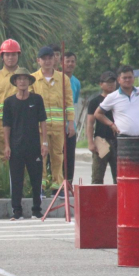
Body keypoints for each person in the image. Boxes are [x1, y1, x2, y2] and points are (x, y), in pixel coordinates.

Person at [2, 68, 48, 220]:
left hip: (34, 146)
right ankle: (17, 210)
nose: (22, 81)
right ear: (15, 82)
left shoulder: (37, 99)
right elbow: (6, 125)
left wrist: (44, 143)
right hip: (16, 146)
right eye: (19, 79)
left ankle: (36, 209)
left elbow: (43, 121)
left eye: (25, 79)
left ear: (29, 81)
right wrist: (7, 145)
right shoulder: (9, 102)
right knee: (16, 180)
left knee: (36, 179)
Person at [30, 46, 74, 194]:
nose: (47, 61)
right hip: (39, 127)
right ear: (38, 61)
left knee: (58, 155)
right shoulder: (33, 79)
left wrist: (71, 123)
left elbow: (69, 102)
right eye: (44, 59)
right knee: (40, 155)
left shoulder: (63, 79)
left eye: (50, 58)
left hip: (58, 126)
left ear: (55, 59)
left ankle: (57, 185)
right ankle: (40, 186)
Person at [94, 65, 139, 138]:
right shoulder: (113, 96)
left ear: (133, 78)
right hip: (123, 138)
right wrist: (111, 124)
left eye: (130, 77)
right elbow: (98, 113)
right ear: (119, 79)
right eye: (124, 78)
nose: (127, 80)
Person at [0, 39, 22, 162]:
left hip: (20, 121)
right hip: (0, 123)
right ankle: (5, 176)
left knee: (21, 154)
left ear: (18, 55)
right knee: (3, 156)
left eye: (13, 54)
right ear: (2, 57)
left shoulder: (24, 76)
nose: (10, 58)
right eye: (7, 55)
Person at [86, 71, 118, 184]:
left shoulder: (120, 99)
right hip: (101, 140)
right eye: (107, 82)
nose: (111, 84)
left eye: (113, 82)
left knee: (119, 176)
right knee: (97, 176)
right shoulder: (95, 102)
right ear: (101, 84)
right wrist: (90, 142)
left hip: (118, 141)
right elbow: (90, 123)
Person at [63, 52, 80, 183]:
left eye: (72, 61)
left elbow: (72, 104)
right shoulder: (57, 79)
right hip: (55, 126)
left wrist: (71, 123)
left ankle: (68, 185)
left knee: (69, 158)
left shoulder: (76, 82)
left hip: (70, 126)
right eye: (67, 61)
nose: (70, 64)